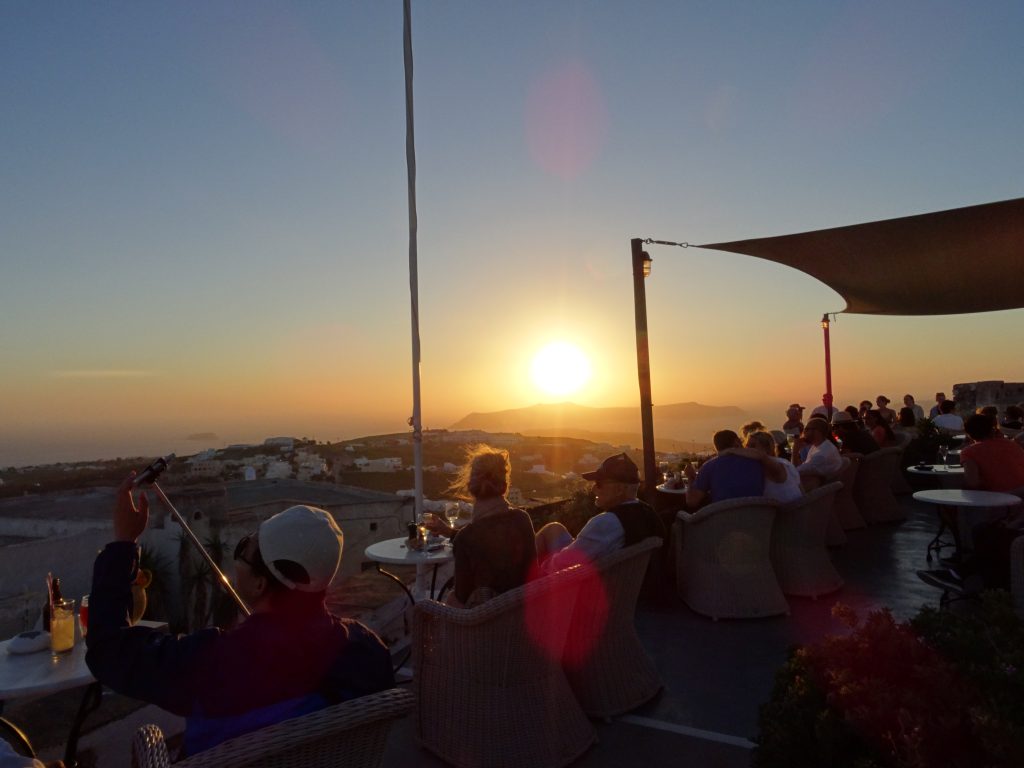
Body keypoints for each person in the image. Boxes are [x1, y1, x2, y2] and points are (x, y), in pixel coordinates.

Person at [86, 475, 394, 758]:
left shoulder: (215, 663)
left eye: (246, 547)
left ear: (260, 582)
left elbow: (108, 650)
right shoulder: (367, 653)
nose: (239, 554)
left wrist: (123, 544)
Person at [442, 445, 536, 607]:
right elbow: (534, 577)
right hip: (522, 620)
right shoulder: (522, 520)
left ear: (471, 487)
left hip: (484, 628)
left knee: (447, 600)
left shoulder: (466, 538)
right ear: (505, 485)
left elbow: (461, 599)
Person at [536, 453, 664, 570]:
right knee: (553, 529)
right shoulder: (648, 513)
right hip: (627, 582)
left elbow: (563, 565)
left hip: (584, 586)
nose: (593, 490)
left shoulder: (607, 523)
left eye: (599, 484)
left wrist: (542, 567)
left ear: (619, 489)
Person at [684, 430, 765, 508]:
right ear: (736, 442)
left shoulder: (709, 466)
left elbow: (692, 501)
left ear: (716, 447)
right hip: (757, 518)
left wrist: (690, 478)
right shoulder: (758, 462)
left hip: (724, 519)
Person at [961, 413, 1024, 493]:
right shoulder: (1012, 445)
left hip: (1000, 498)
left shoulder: (969, 452)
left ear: (968, 433)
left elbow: (972, 483)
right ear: (992, 429)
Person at [734, 430, 802, 503]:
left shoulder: (778, 464)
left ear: (767, 448)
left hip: (791, 510)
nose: (748, 449)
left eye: (753, 446)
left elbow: (761, 456)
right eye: (747, 446)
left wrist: (731, 451)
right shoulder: (782, 461)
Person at [792, 418, 842, 489]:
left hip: (814, 493)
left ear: (817, 431)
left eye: (806, 429)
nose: (803, 433)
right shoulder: (824, 445)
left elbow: (794, 473)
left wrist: (795, 450)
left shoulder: (820, 455)